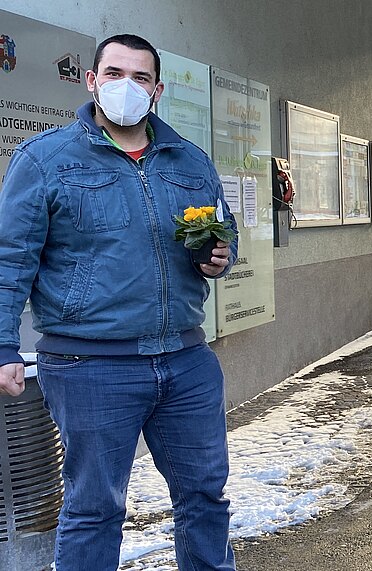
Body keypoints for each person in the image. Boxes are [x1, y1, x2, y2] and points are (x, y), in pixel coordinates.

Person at [0, 35, 238, 570]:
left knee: (205, 499)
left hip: (185, 359)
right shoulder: (44, 160)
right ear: (91, 81)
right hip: (89, 365)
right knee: (94, 509)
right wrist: (2, 345)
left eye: (138, 78)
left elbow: (225, 233)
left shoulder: (190, 160)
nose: (124, 87)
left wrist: (221, 254)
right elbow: (9, 260)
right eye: (113, 73)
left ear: (155, 91)